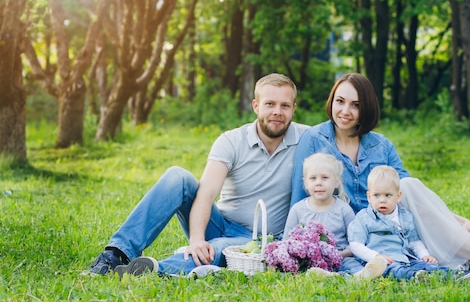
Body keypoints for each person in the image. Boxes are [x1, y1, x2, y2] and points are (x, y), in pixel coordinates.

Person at [291, 72, 470, 283]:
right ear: (331, 101)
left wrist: (453, 218)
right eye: (340, 101)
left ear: (367, 108)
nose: (345, 111)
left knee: (408, 184)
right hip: (355, 239)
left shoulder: (381, 145)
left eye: (355, 105)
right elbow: (301, 199)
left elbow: (407, 195)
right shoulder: (314, 139)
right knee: (455, 248)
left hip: (395, 227)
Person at [87, 73, 309, 277]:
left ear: (293, 108)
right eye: (270, 104)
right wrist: (196, 239)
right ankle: (115, 254)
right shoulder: (231, 141)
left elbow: (340, 141)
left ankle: (151, 269)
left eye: (285, 105)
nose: (277, 112)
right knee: (177, 177)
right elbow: (206, 194)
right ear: (256, 106)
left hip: (259, 240)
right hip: (220, 222)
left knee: (218, 251)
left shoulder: (308, 139)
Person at [348, 165, 470, 282]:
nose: (382, 200)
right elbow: (355, 244)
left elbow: (414, 241)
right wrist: (376, 257)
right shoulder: (364, 218)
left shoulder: (405, 216)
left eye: (388, 195)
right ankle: (415, 277)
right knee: (396, 270)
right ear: (369, 196)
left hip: (406, 258)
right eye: (377, 195)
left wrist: (424, 255)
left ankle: (456, 275)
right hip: (383, 262)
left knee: (426, 265)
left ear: (398, 196)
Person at [283, 152, 385, 278]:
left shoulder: (343, 209)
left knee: (352, 265)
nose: (318, 183)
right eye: (313, 178)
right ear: (306, 183)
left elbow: (356, 241)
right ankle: (333, 276)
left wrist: (339, 254)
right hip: (311, 260)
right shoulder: (298, 210)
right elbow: (287, 241)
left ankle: (359, 275)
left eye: (325, 178)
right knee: (309, 269)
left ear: (336, 182)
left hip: (341, 257)